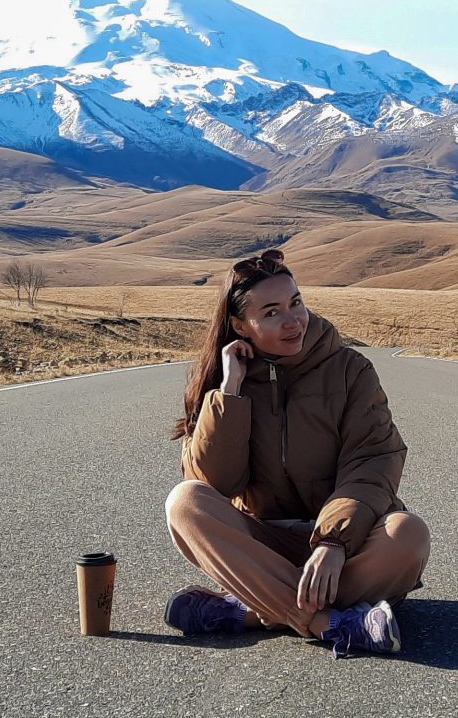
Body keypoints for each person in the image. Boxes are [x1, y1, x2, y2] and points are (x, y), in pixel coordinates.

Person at [164, 246, 430, 658]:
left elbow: (372, 459)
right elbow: (214, 485)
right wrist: (230, 393)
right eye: (270, 312)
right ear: (240, 325)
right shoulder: (222, 382)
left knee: (408, 534)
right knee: (184, 502)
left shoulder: (350, 370)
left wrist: (333, 542)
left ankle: (252, 611)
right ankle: (333, 624)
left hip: (347, 546)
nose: (292, 321)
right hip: (265, 543)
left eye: (296, 303)